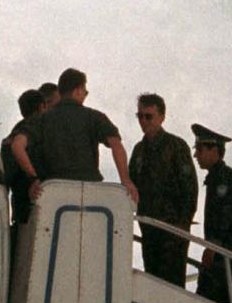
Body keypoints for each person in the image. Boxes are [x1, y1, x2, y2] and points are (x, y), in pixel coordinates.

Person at [9, 68, 138, 205]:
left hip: (54, 193)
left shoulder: (42, 120)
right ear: (77, 91)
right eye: (85, 92)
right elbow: (116, 144)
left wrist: (33, 179)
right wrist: (125, 180)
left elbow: (17, 145)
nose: (85, 95)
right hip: (90, 193)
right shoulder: (94, 117)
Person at [128, 94, 197, 287]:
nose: (143, 121)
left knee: (172, 287)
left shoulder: (176, 147)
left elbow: (190, 190)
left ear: (161, 117)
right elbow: (131, 186)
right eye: (139, 116)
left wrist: (181, 227)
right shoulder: (139, 151)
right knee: (153, 283)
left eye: (148, 116)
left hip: (172, 232)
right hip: (149, 230)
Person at [190, 124, 232, 303]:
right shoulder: (218, 177)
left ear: (214, 150)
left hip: (227, 256)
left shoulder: (225, 178)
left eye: (199, 149)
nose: (196, 155)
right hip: (222, 255)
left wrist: (213, 245)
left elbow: (226, 214)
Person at [0, 89, 45, 228]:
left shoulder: (13, 134)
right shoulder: (39, 127)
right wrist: (34, 178)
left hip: (20, 209)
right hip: (37, 203)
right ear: (42, 106)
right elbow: (18, 147)